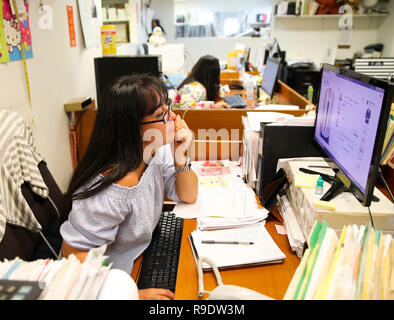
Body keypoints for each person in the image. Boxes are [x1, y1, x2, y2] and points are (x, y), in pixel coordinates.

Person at [60, 74, 198, 300]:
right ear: (133, 129)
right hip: (106, 287)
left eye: (168, 108)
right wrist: (132, 295)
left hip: (138, 261)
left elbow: (189, 195)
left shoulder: (154, 150)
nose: (173, 117)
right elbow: (72, 256)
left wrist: (180, 156)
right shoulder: (113, 189)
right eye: (160, 114)